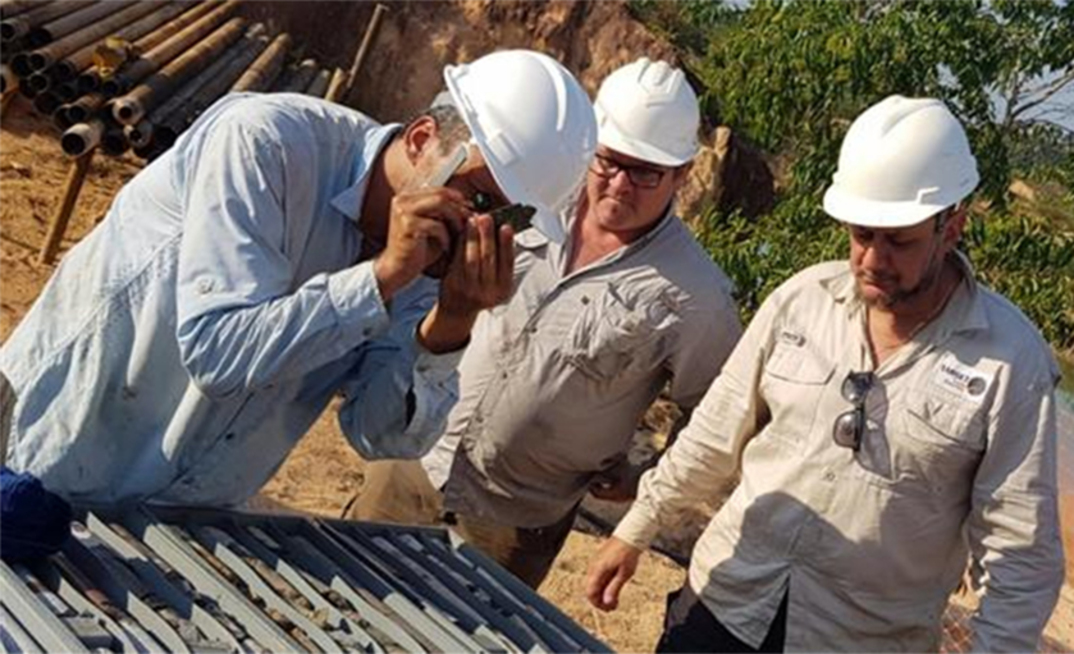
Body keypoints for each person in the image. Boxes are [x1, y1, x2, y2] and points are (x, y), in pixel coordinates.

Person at [0, 50, 598, 507]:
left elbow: (376, 435)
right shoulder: (267, 144)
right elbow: (217, 355)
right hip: (45, 450)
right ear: (422, 141)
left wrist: (450, 325)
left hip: (180, 513)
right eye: (479, 196)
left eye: (509, 218)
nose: (481, 228)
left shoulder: (433, 249)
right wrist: (380, 277)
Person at [586, 95, 1064, 652]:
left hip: (859, 639)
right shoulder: (801, 301)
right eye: (861, 234)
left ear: (951, 225)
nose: (871, 259)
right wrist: (635, 530)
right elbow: (715, 434)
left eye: (898, 240)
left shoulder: (1010, 361)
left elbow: (1019, 552)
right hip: (726, 602)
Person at [345, 58, 742, 589]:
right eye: (608, 161)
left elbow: (717, 412)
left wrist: (646, 476)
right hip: (411, 462)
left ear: (683, 173)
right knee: (341, 604)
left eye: (645, 172)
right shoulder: (527, 198)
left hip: (510, 526)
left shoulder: (697, 296)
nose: (620, 185)